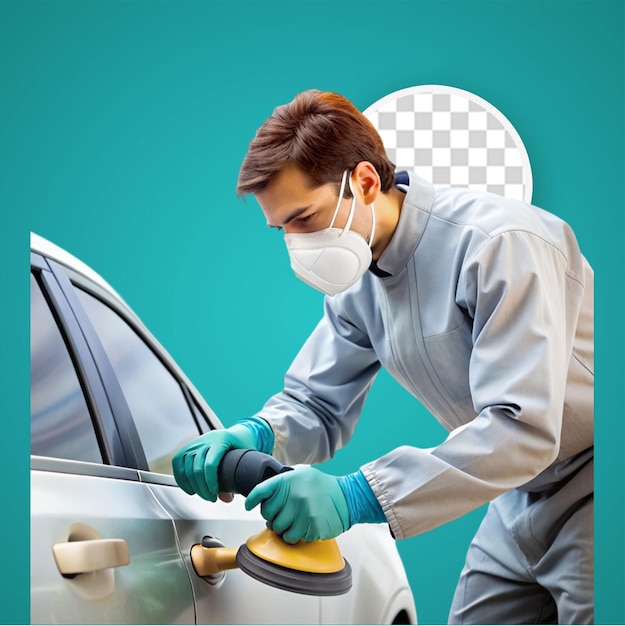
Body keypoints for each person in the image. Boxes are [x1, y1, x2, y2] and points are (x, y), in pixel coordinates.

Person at [172, 90, 594, 624]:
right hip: (515, 495)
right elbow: (316, 405)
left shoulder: (499, 244)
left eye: (304, 217)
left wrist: (355, 496)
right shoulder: (356, 280)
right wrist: (254, 434)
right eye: (282, 230)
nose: (296, 244)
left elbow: (522, 428)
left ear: (366, 182)